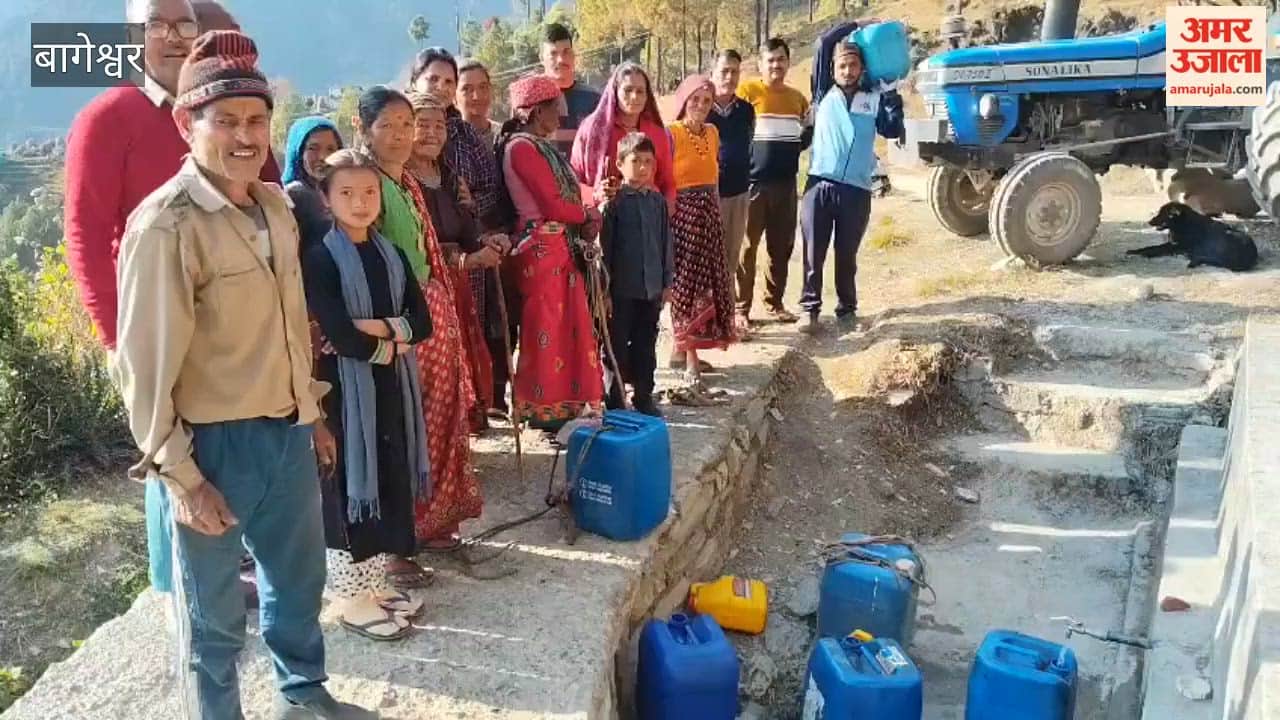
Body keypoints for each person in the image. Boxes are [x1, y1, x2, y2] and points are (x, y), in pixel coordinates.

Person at [111, 29, 372, 719]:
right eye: (224, 121)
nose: (244, 136)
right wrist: (182, 478)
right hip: (212, 449)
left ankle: (304, 698)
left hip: (285, 435)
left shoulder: (277, 209)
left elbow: (290, 325)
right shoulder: (166, 227)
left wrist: (311, 417)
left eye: (256, 121)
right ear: (185, 124)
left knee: (298, 583)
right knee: (215, 617)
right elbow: (141, 370)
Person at [63, 0, 279, 601]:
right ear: (134, 36)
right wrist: (116, 340)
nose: (175, 37)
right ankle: (181, 599)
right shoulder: (108, 117)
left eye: (186, 24)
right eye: (156, 25)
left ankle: (231, 578)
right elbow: (85, 233)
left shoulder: (220, 112)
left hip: (234, 332)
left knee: (224, 457)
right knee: (171, 463)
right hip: (157, 328)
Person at [302, 149, 431, 642]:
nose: (361, 202)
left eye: (370, 192)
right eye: (347, 193)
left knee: (386, 475)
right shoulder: (318, 260)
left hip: (391, 386)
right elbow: (340, 336)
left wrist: (376, 331)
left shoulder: (392, 256)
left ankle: (374, 587)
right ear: (326, 199)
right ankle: (350, 597)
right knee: (348, 483)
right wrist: (393, 341)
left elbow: (424, 324)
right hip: (341, 392)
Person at [352, 85, 484, 554]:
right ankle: (398, 541)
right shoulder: (365, 186)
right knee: (404, 427)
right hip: (397, 323)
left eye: (407, 125)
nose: (401, 135)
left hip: (431, 316)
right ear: (363, 130)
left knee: (439, 423)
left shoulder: (405, 181)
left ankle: (433, 523)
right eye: (387, 125)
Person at [497, 75, 605, 430]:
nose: (559, 116)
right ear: (534, 111)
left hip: (556, 247)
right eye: (553, 109)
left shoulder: (536, 145)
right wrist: (587, 213)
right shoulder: (522, 148)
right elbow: (553, 204)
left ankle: (564, 404)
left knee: (565, 326)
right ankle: (543, 409)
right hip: (540, 248)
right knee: (546, 326)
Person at [408, 48, 510, 420]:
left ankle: (474, 412)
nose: (440, 87)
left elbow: (486, 195)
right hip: (423, 283)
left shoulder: (462, 144)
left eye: (448, 81)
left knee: (470, 341)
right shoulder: (395, 168)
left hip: (465, 270)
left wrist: (481, 230)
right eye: (432, 79)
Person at [800, 35, 904, 334]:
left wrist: (892, 96)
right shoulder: (822, 93)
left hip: (856, 189)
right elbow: (822, 43)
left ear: (862, 69)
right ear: (833, 70)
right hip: (819, 184)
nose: (847, 71)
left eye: (853, 65)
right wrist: (858, 25)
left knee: (846, 254)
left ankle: (847, 310)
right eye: (842, 66)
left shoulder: (872, 98)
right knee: (812, 252)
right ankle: (809, 310)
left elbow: (892, 129)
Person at [736, 37, 812, 326]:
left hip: (786, 184)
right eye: (770, 60)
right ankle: (741, 310)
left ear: (787, 62)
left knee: (781, 247)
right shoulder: (747, 91)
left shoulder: (797, 98)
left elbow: (809, 128)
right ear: (760, 64)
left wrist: (791, 147)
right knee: (747, 248)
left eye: (780, 59)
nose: (776, 65)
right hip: (752, 184)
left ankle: (774, 303)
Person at [668, 75, 739, 384]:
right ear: (684, 100)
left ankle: (680, 351)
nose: (700, 105)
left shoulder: (712, 132)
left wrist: (714, 213)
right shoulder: (671, 134)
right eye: (694, 99)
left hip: (709, 214)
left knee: (709, 284)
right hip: (682, 218)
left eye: (706, 101)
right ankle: (691, 361)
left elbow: (714, 176)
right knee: (686, 288)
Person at [599, 132, 672, 418]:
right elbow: (604, 250)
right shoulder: (614, 204)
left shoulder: (657, 203)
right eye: (635, 161)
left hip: (651, 288)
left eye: (648, 162)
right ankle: (615, 400)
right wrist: (605, 292)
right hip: (621, 291)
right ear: (619, 164)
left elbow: (666, 244)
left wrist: (667, 282)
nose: (642, 167)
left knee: (646, 344)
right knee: (615, 346)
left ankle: (644, 396)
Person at [573, 62, 676, 215]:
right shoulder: (592, 130)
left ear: (647, 96)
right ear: (615, 92)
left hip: (647, 221)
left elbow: (667, 183)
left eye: (640, 91)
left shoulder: (657, 133)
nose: (634, 97)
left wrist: (664, 212)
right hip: (603, 220)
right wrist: (596, 194)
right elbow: (572, 183)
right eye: (628, 90)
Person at [706, 49, 755, 339]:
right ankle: (706, 321)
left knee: (731, 258)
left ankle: (727, 320)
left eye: (735, 71)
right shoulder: (701, 106)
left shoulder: (747, 110)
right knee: (708, 259)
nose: (729, 77)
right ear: (713, 72)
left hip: (738, 192)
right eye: (724, 70)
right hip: (707, 194)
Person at [541, 22, 603, 157]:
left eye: (566, 52)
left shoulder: (594, 99)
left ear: (574, 56)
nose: (561, 59)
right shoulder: (531, 100)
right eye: (553, 53)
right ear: (541, 59)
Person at [283, 116, 344, 250]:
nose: (322, 157)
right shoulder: (295, 196)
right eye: (313, 148)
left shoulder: (341, 193)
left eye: (331, 149)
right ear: (298, 152)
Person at [457, 59, 501, 147]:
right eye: (467, 89)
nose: (477, 96)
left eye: (483, 87)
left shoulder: (504, 135)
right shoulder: (447, 141)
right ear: (453, 97)